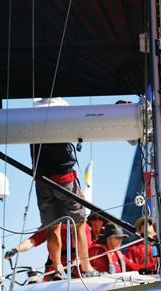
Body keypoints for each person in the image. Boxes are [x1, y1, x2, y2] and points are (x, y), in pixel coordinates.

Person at [30, 98, 95, 278]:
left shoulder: (33, 113)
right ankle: (86, 267)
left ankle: (57, 268)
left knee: (53, 226)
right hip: (64, 176)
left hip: (41, 178)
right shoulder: (62, 108)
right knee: (80, 223)